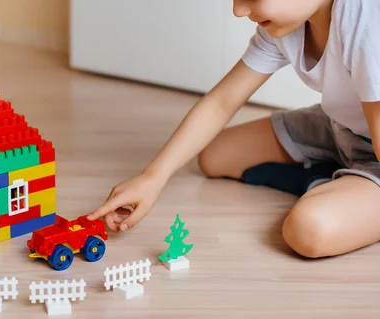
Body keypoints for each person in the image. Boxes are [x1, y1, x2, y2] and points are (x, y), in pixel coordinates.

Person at [87, 0, 380, 258]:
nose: (238, 10)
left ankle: (339, 187)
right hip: (343, 126)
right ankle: (334, 181)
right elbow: (221, 102)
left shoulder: (366, 19)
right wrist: (153, 177)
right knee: (214, 155)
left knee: (309, 230)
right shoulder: (289, 22)